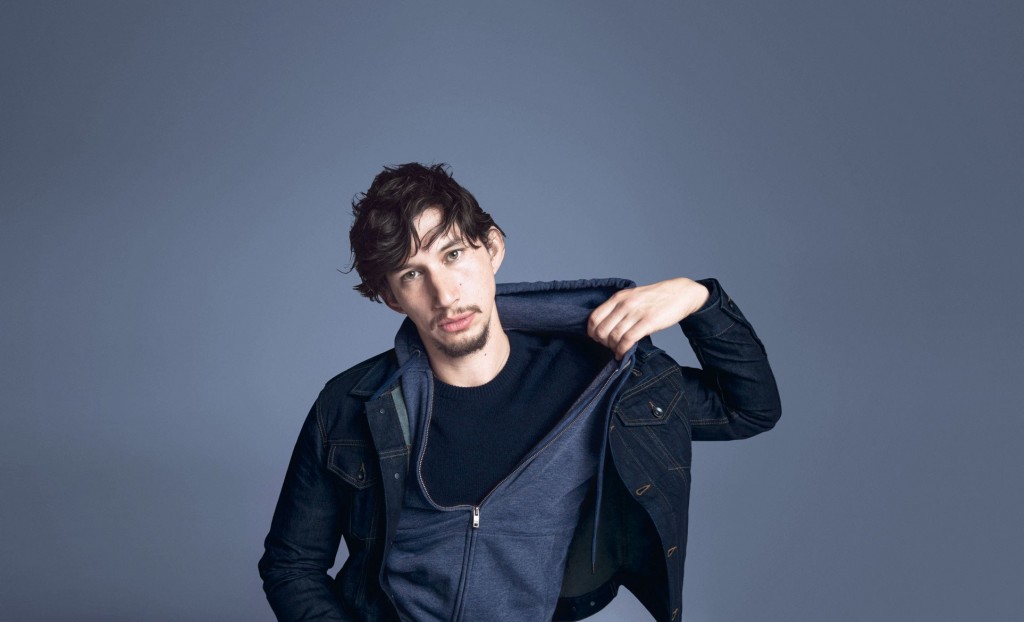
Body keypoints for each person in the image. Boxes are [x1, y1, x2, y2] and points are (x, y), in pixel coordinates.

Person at [259, 163, 781, 622]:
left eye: (454, 254)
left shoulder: (601, 382)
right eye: (413, 274)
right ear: (393, 298)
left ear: (492, 249)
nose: (445, 294)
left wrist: (698, 299)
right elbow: (291, 565)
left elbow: (748, 408)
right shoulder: (351, 404)